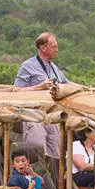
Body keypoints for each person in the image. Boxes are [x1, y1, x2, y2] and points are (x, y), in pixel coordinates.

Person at [13, 32, 70, 161]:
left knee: (56, 157)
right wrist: (39, 87)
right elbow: (16, 91)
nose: (57, 50)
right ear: (43, 48)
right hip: (34, 117)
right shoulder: (27, 66)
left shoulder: (54, 68)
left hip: (51, 116)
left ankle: (55, 181)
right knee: (37, 157)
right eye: (54, 47)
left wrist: (86, 89)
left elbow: (67, 84)